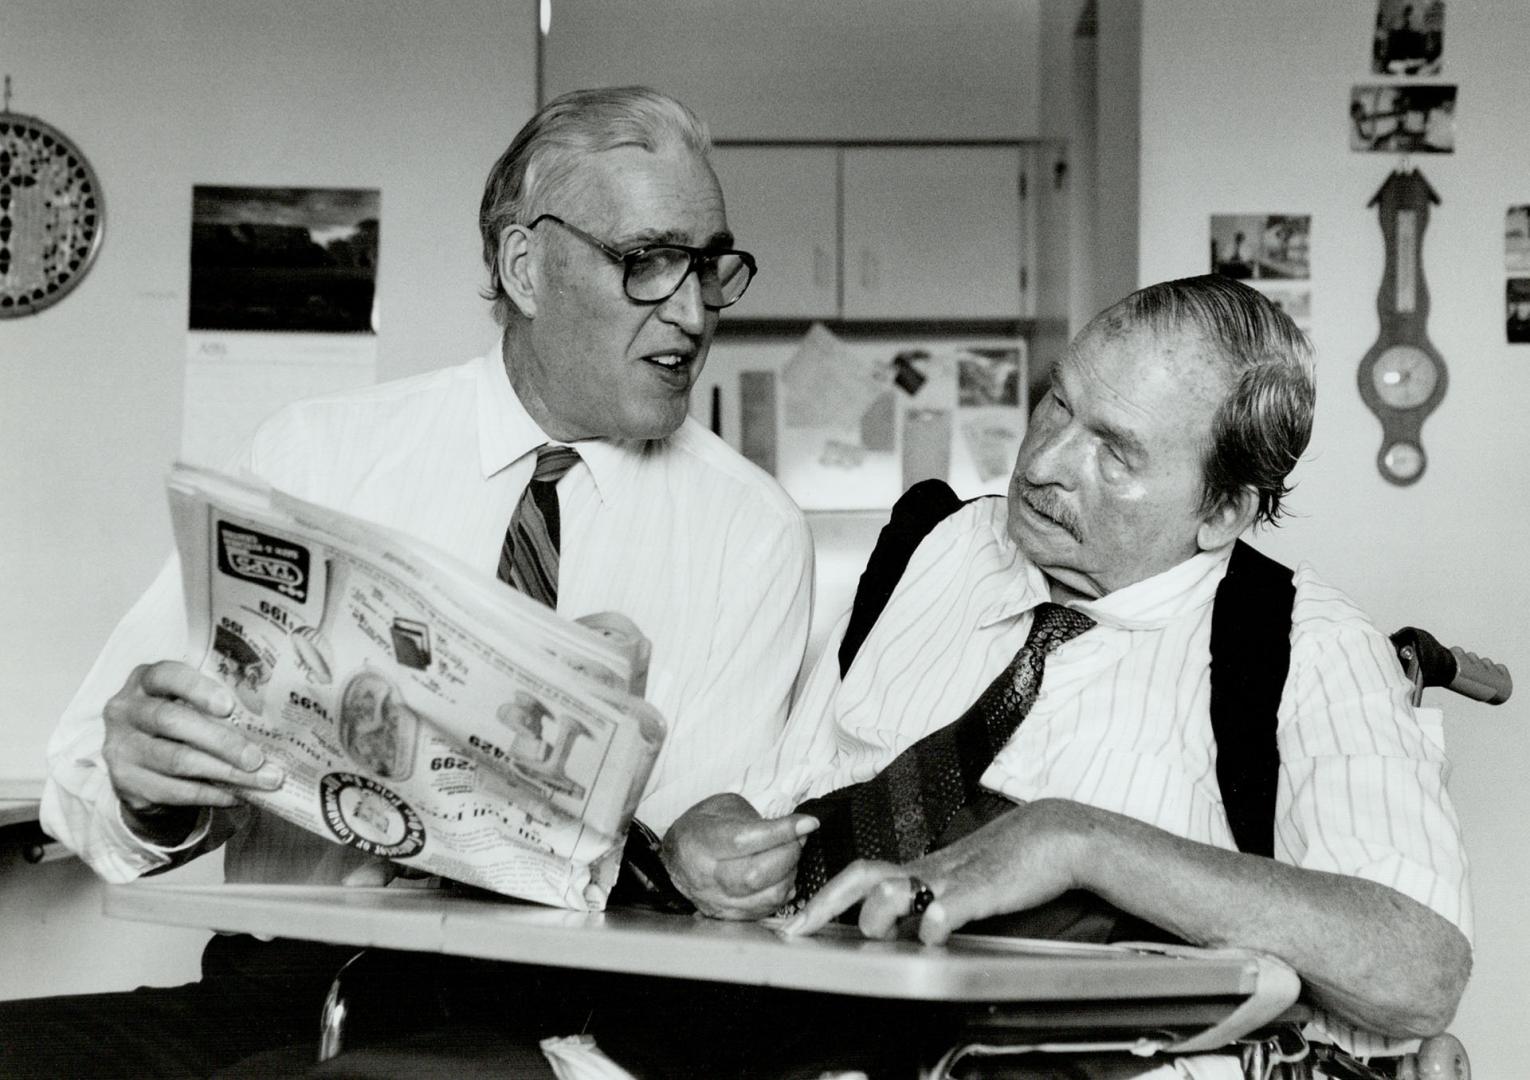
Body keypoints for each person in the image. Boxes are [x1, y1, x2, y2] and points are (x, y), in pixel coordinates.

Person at [0, 85, 812, 1077]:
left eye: (709, 265)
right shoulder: (317, 456)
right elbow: (89, 773)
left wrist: (654, 827)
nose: (692, 311)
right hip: (281, 985)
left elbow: (697, 881)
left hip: (550, 1014)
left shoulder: (752, 531)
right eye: (648, 264)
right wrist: (154, 789)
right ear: (525, 266)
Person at [663, 275, 1471, 1060]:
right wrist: (711, 837)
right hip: (793, 1036)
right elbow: (780, 790)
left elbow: (1418, 969)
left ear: (1223, 511)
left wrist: (1079, 840)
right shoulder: (930, 547)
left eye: (1114, 453)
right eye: (1058, 401)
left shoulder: (1306, 648)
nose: (1045, 461)